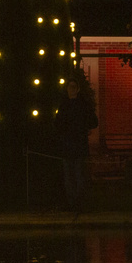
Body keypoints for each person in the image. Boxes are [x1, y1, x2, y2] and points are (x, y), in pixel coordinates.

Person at [52, 81, 99, 212]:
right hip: (72, 145)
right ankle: (73, 202)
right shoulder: (72, 105)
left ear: (77, 89)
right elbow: (58, 123)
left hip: (74, 145)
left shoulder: (72, 105)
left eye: (73, 87)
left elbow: (93, 121)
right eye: (69, 87)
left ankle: (77, 202)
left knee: (76, 175)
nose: (71, 90)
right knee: (72, 176)